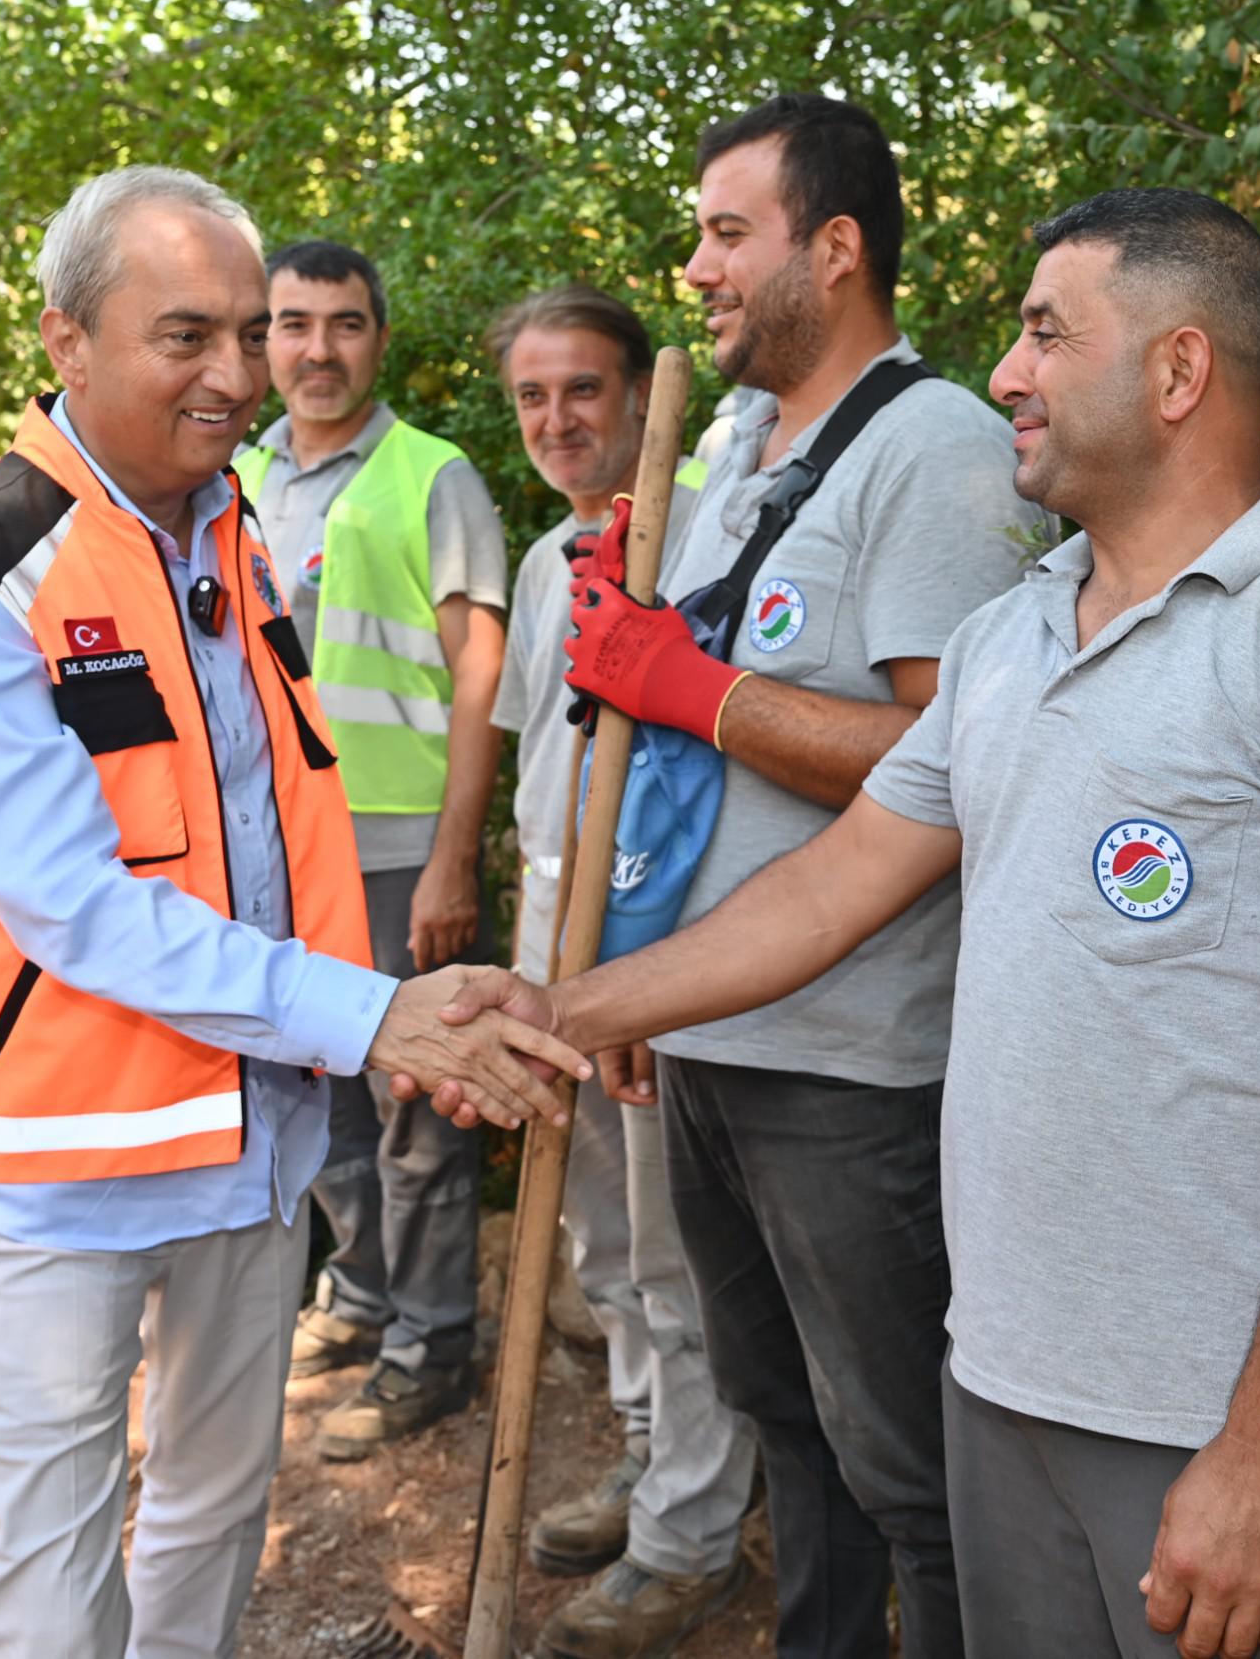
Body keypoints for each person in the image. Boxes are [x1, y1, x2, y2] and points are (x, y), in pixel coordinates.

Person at [437, 188, 1260, 1659]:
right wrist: (568, 1011)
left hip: (1224, 1421)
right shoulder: (1010, 638)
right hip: (1003, 1388)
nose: (1006, 371)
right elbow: (827, 886)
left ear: (1179, 374)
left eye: (1049, 333)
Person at [0, 164, 587, 1659]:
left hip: (247, 1140)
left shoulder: (225, 535)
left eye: (250, 336)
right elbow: (76, 908)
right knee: (51, 1583)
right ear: (66, 341)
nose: (240, 376)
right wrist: (379, 1015)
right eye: (187, 337)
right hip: (52, 1169)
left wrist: (369, 1020)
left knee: (212, 1515)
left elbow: (262, 831)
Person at [534, 94, 1045, 1659]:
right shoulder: (740, 450)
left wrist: (680, 681)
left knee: (906, 1460)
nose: (694, 268)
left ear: (834, 249)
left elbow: (941, 759)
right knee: (783, 1423)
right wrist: (634, 975)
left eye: (727, 233)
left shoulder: (937, 445)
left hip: (849, 1062)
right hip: (710, 1041)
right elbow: (679, 776)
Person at [485, 286, 758, 1659]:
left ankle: (692, 1531)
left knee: (668, 1255)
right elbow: (545, 771)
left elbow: (688, 772)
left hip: (649, 956)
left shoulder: (703, 533)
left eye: (582, 389)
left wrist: (638, 976)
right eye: (532, 398)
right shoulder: (549, 562)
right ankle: (653, 1459)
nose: (557, 421)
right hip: (551, 956)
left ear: (643, 400)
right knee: (597, 1242)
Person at [233, 238, 512, 1460]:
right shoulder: (233, 474)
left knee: (420, 1112)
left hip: (401, 850)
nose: (318, 350)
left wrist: (456, 857)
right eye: (292, 325)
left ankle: (432, 1343)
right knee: (320, 1096)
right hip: (281, 854)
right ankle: (364, 1292)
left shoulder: (430, 474)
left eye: (344, 323)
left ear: (379, 338)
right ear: (264, 340)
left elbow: (479, 675)